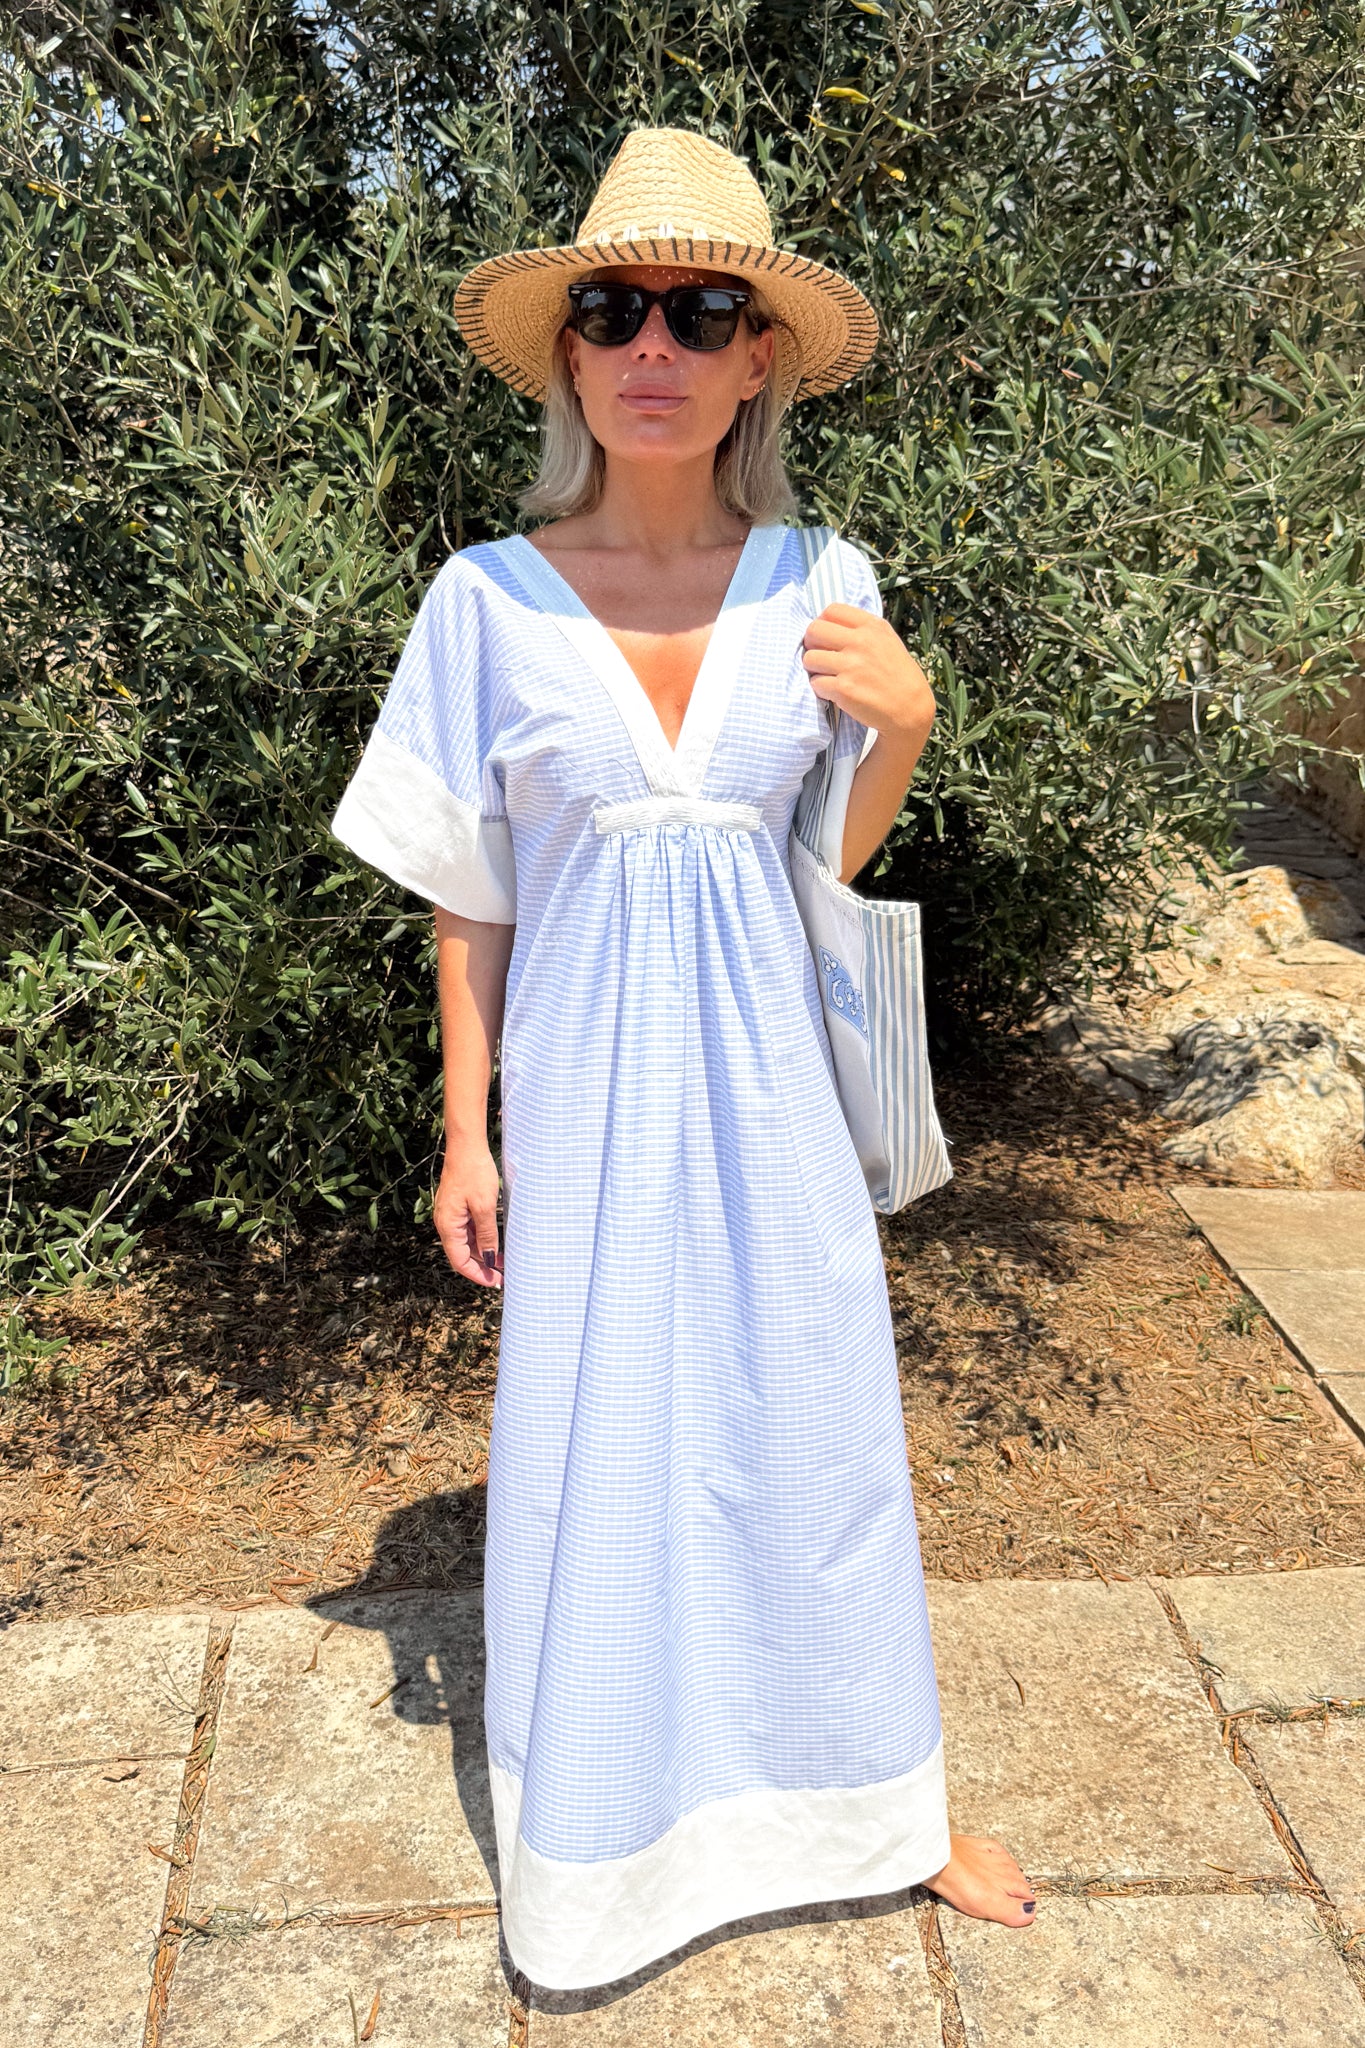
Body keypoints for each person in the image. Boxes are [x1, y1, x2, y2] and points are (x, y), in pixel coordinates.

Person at [331, 124, 1035, 1993]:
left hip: (773, 1097)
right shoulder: (484, 598)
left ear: (754, 361)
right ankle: (603, 1847)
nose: (654, 343)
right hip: (581, 1098)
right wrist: (465, 1133)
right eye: (615, 311)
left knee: (810, 1434)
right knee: (598, 1449)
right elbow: (469, 897)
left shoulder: (820, 577)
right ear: (570, 357)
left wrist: (903, 731)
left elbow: (814, 868)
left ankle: (874, 1811)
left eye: (702, 311)